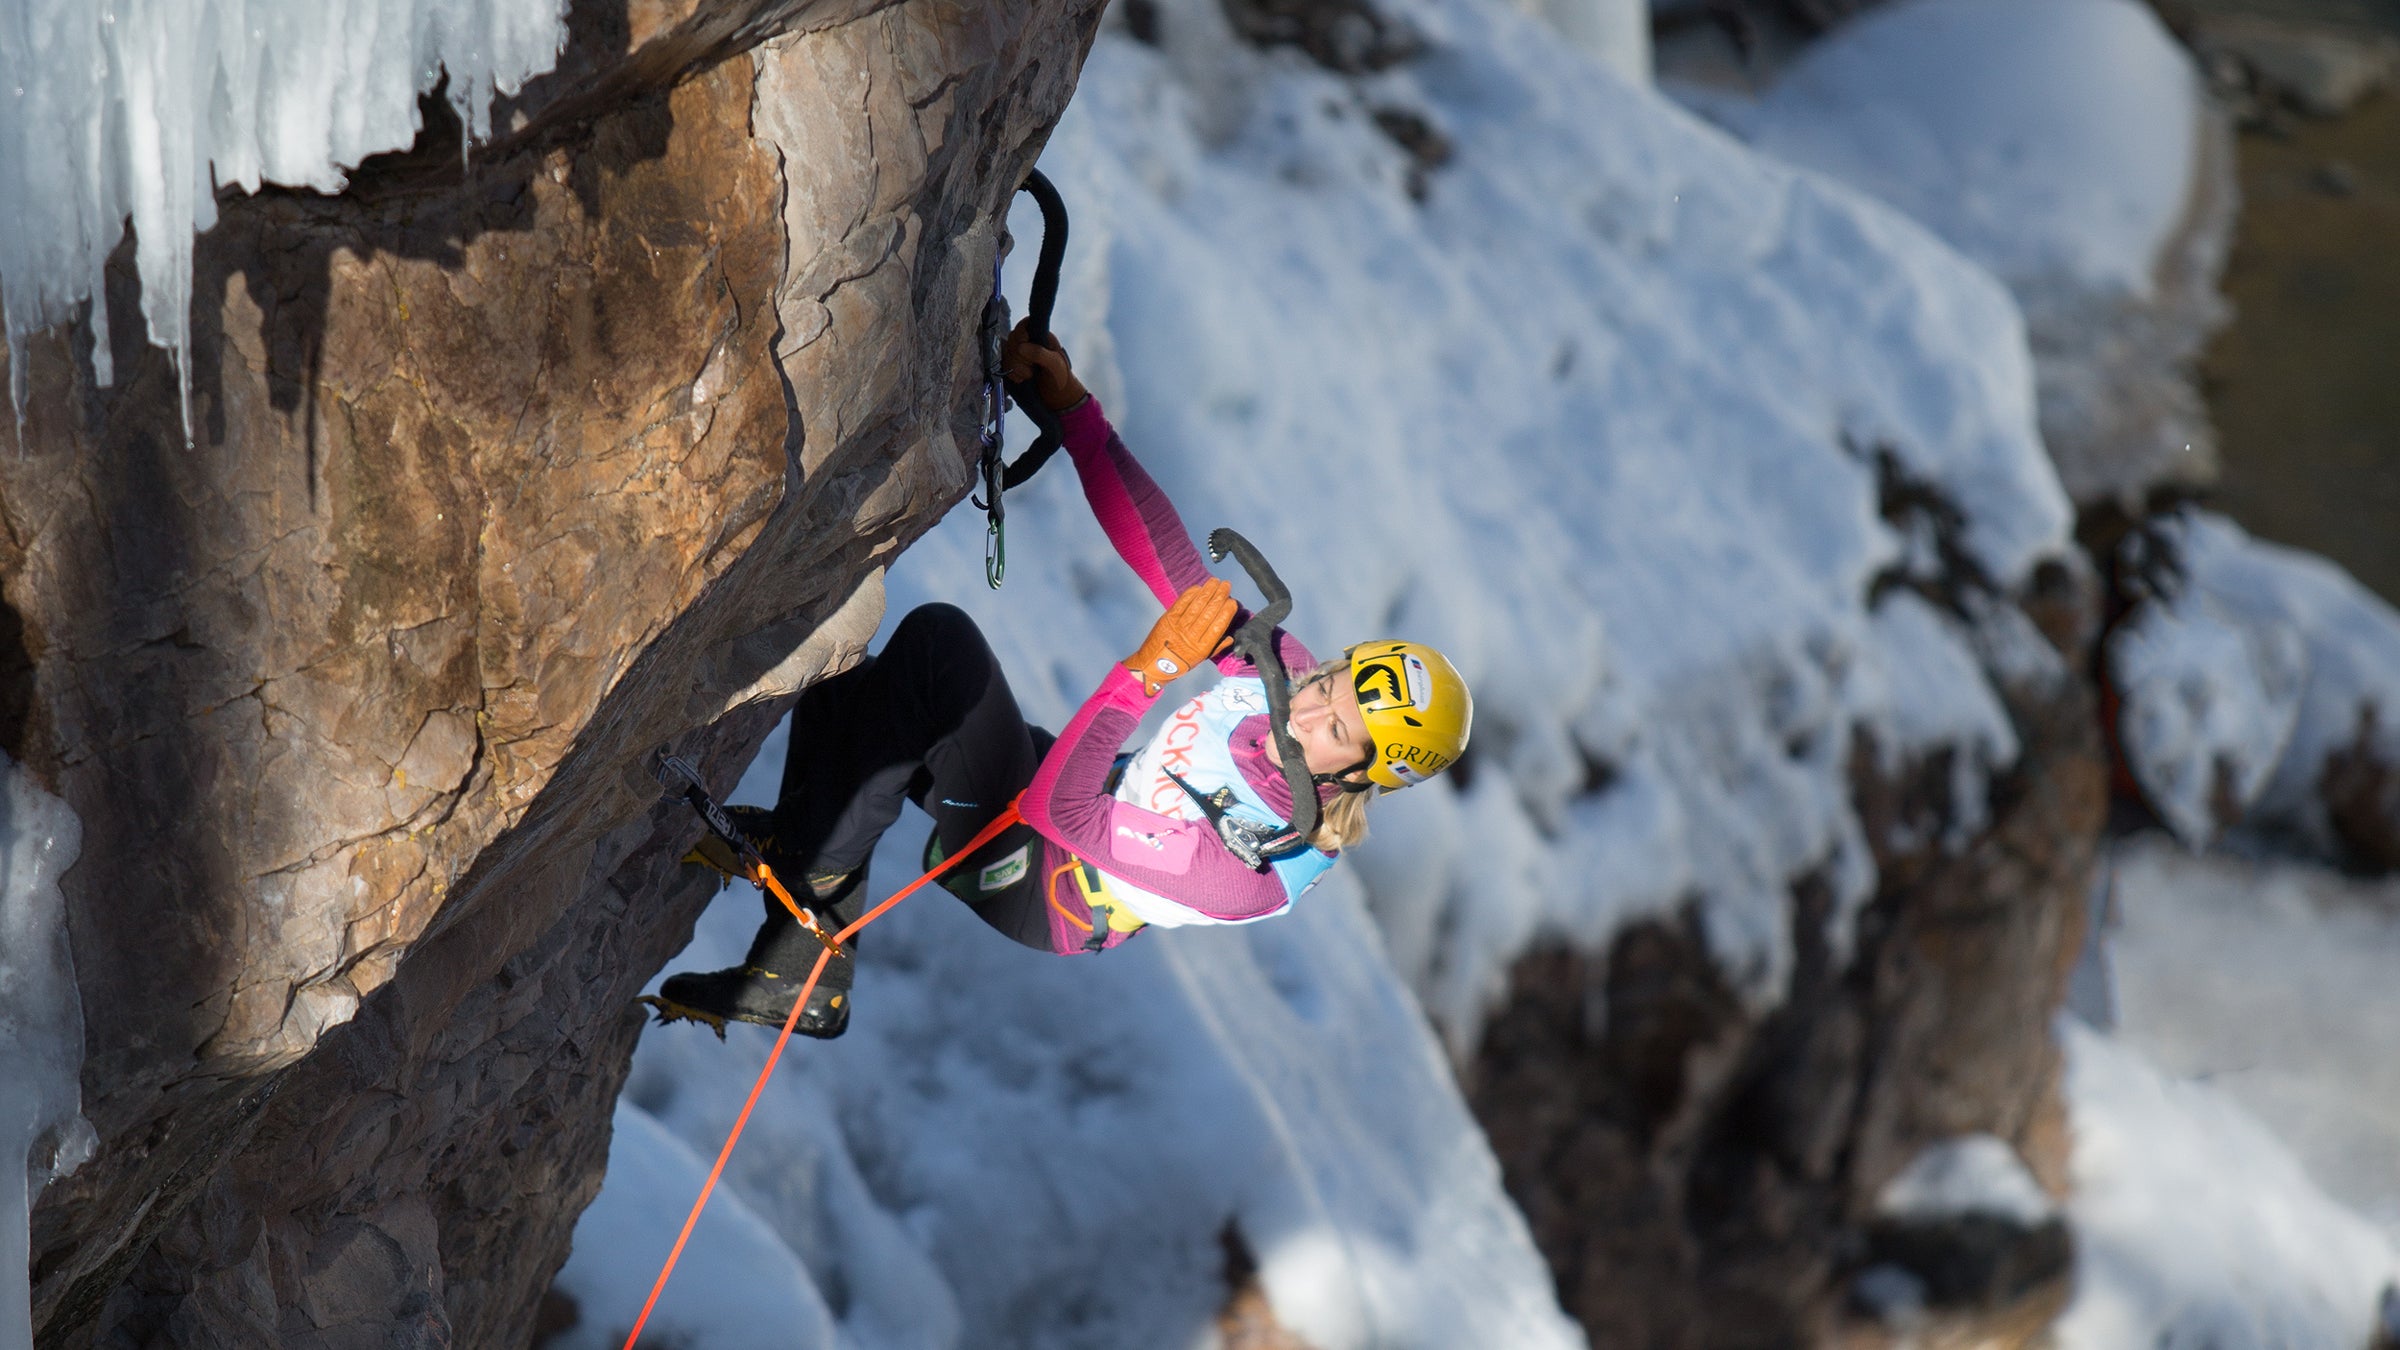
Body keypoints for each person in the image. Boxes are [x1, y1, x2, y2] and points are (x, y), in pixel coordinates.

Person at [648, 324, 1473, 1038]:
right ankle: (802, 855)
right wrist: (1079, 418)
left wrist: (1148, 671)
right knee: (858, 676)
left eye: (1337, 727)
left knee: (941, 647)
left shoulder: (1245, 873)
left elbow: (1060, 812)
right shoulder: (1290, 686)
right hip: (1075, 794)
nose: (1312, 707)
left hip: (1043, 877)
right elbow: (1174, 565)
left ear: (1360, 774)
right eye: (1332, 683)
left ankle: (802, 959)